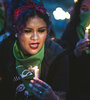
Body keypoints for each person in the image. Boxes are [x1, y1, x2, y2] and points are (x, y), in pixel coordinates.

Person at [0, 0, 69, 100]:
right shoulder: (6, 48)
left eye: (41, 31)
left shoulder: (57, 56)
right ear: (16, 31)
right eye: (28, 31)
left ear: (47, 31)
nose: (35, 37)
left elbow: (61, 96)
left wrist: (52, 97)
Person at [60, 0, 90, 100]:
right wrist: (75, 53)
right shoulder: (71, 30)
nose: (88, 13)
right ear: (78, 10)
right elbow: (62, 61)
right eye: (84, 9)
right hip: (78, 91)